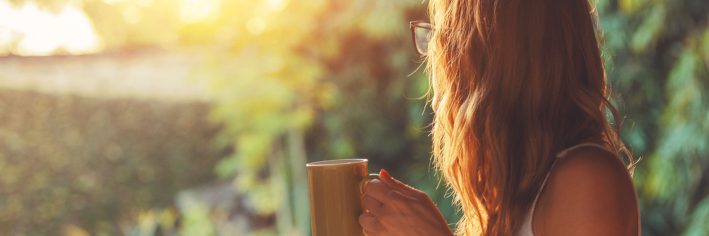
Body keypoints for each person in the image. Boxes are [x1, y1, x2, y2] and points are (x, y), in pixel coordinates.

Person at [358, 0, 641, 235]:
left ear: (485, 58)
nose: (439, 66)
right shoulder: (505, 204)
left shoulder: (588, 180)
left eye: (445, 40)